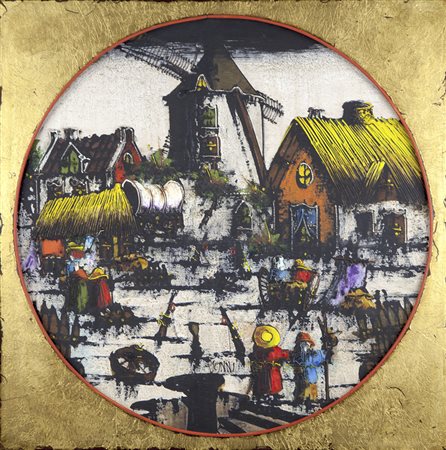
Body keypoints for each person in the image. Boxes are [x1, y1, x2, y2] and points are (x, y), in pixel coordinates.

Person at [249, 325, 290, 398]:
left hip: (263, 370)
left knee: (265, 383)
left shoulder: (257, 349)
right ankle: (272, 394)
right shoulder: (276, 350)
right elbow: (283, 354)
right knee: (272, 383)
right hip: (272, 370)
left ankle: (265, 395)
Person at [293, 332, 326, 405]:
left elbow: (318, 358)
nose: (304, 345)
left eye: (305, 343)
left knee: (310, 385)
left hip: (310, 373)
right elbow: (296, 361)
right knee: (301, 386)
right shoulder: (297, 353)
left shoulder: (312, 353)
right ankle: (301, 400)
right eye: (302, 343)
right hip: (302, 373)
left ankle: (311, 399)